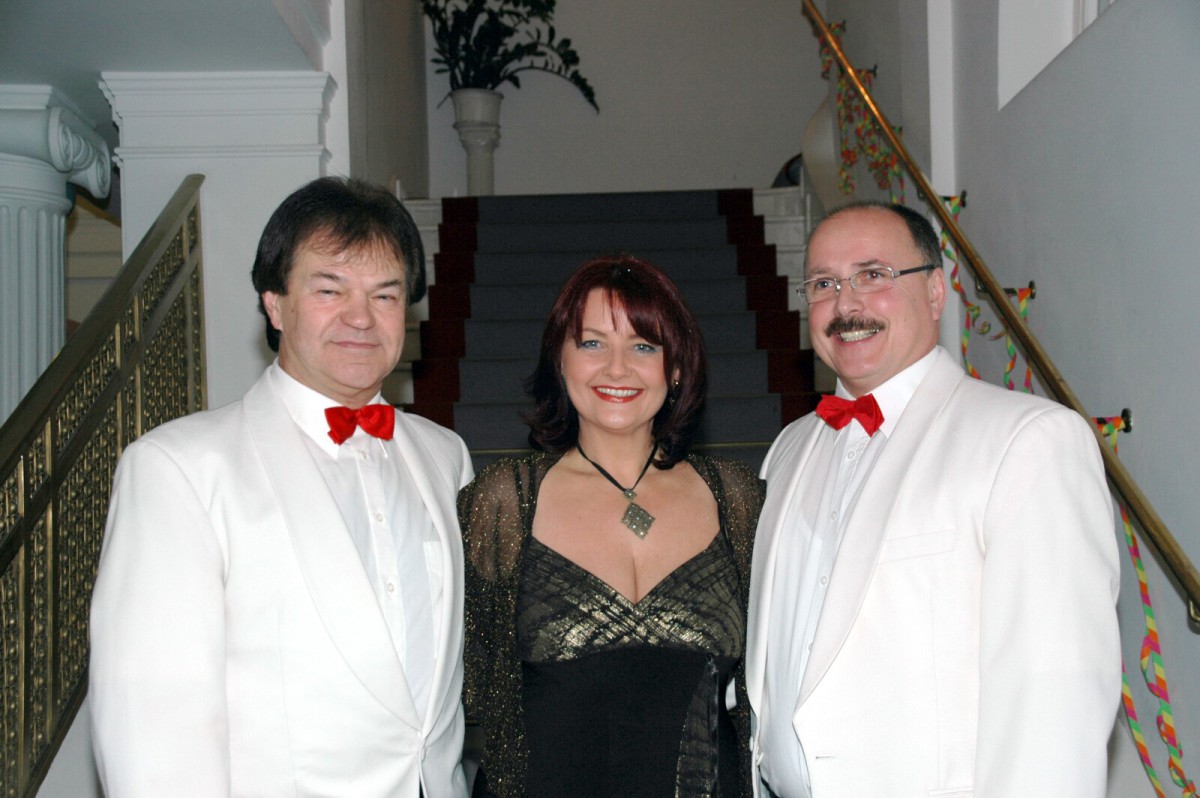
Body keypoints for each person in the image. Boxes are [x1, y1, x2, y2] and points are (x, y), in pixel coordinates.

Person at [89, 177, 473, 797]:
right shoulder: (179, 469)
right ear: (274, 304)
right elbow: (153, 729)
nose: (360, 318)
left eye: (384, 294)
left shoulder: (445, 457)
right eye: (329, 290)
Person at [745, 200, 1121, 797]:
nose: (846, 305)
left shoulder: (1028, 441)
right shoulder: (788, 449)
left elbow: (1055, 699)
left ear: (936, 292)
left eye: (873, 275)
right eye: (823, 284)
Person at [458, 255, 765, 797]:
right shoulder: (504, 500)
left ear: (676, 368)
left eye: (643, 346)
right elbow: (469, 686)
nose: (617, 369)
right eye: (592, 343)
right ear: (560, 361)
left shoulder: (738, 499)